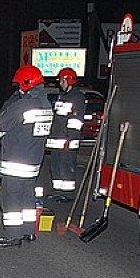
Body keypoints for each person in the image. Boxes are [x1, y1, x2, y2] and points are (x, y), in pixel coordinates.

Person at [0, 65, 53, 247]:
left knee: (11, 198)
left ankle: (13, 235)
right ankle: (29, 231)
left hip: (15, 162)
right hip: (34, 162)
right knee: (28, 197)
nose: (19, 89)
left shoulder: (21, 106)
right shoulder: (46, 106)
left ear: (27, 84)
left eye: (20, 85)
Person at [45, 67, 85, 201]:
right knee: (55, 166)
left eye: (62, 80)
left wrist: (70, 138)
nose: (60, 83)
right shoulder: (63, 97)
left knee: (66, 167)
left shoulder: (77, 97)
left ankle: (67, 194)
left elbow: (75, 121)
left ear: (69, 80)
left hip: (67, 141)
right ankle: (58, 191)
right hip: (57, 140)